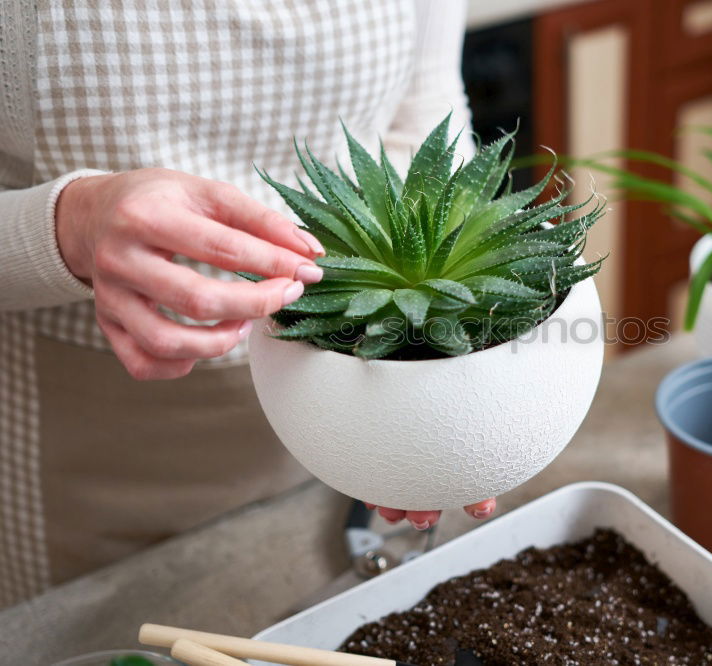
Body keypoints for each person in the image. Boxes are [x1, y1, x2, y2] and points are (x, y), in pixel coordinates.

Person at [0, 0, 494, 609]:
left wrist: (428, 364)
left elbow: (424, 119)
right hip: (89, 447)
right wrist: (68, 226)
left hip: (340, 415)